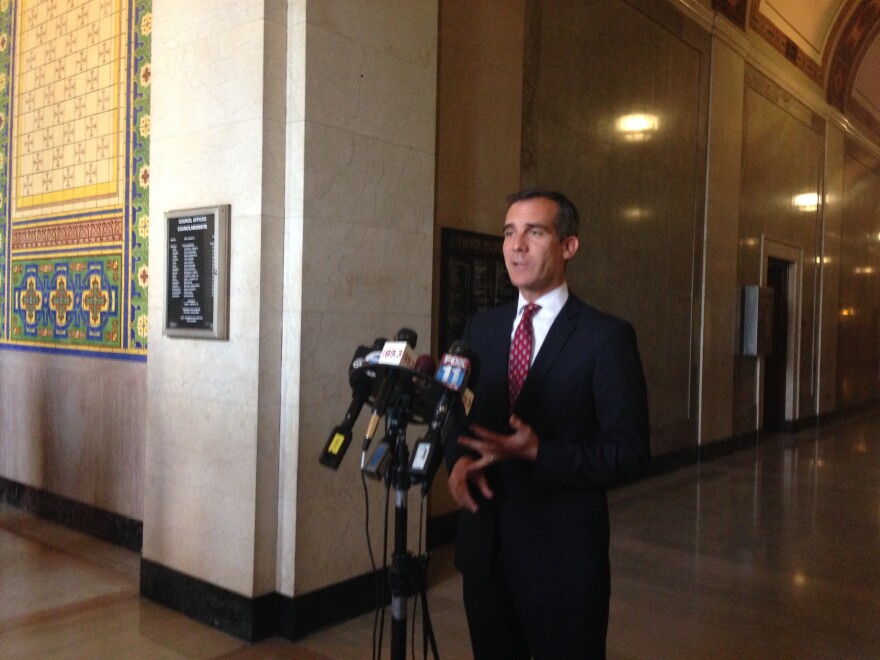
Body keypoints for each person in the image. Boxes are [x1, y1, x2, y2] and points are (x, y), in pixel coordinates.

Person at [445, 189, 651, 659]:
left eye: (534, 232)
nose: (516, 246)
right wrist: (455, 461)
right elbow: (457, 414)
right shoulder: (481, 329)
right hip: (486, 556)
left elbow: (630, 453)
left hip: (563, 565)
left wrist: (540, 452)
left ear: (568, 246)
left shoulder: (606, 338)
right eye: (509, 233)